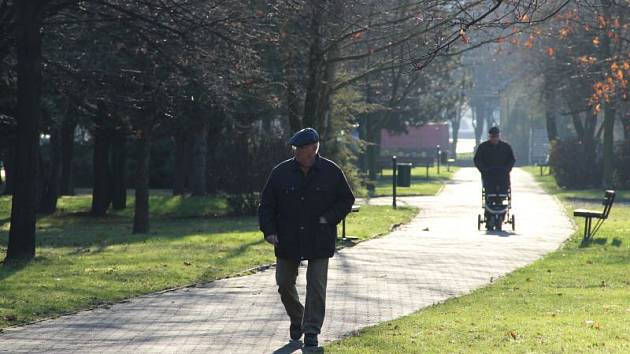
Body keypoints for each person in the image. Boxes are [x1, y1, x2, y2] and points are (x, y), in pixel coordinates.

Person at [258, 127, 355, 348]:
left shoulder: (331, 171)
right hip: (287, 238)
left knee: (316, 286)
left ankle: (311, 330)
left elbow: (346, 200)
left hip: (319, 238)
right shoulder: (280, 172)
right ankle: (297, 318)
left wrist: (328, 219)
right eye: (295, 149)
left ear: (313, 149)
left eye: (300, 149)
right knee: (283, 283)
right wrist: (269, 231)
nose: (296, 152)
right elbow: (267, 205)